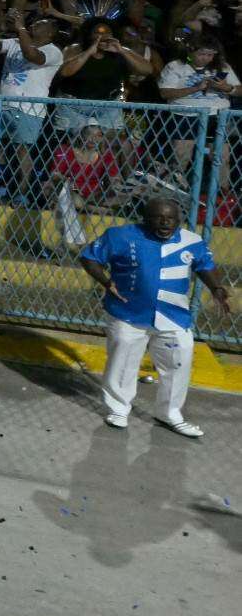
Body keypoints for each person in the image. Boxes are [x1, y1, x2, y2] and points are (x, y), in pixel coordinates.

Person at [78, 187, 229, 436]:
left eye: (170, 219)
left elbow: (205, 266)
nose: (164, 223)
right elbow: (88, 257)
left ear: (178, 220)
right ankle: (119, 408)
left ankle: (170, 413)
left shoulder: (192, 241)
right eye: (158, 218)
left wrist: (217, 288)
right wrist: (105, 282)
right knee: (123, 361)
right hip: (127, 312)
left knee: (179, 360)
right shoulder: (120, 236)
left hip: (173, 316)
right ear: (144, 219)